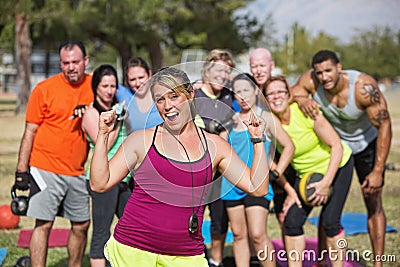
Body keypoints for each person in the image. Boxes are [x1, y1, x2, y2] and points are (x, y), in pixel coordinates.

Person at [89, 66, 270, 267]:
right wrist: (103, 135)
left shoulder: (216, 146)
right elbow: (99, 184)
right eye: (160, 99)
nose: (167, 106)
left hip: (186, 255)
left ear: (190, 95)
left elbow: (258, 187)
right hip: (134, 250)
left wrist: (257, 139)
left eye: (174, 96)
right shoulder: (140, 140)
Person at [291, 50, 392, 266]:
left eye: (328, 70)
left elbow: (385, 125)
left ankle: (379, 263)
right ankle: (321, 261)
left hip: (366, 145)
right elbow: (286, 94)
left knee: (373, 202)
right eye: (319, 72)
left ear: (339, 67)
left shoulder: (363, 88)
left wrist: (377, 170)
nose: (324, 77)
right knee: (328, 207)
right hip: (337, 146)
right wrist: (301, 99)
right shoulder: (310, 80)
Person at [14, 40, 93, 267]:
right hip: (44, 166)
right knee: (44, 223)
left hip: (78, 170)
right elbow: (30, 131)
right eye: (65, 63)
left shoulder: (94, 85)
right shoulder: (44, 89)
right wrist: (21, 170)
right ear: (60, 63)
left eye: (75, 62)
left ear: (85, 61)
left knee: (81, 225)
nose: (71, 67)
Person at [265, 75, 354, 267]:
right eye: (270, 94)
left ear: (289, 95)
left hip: (337, 166)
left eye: (280, 91)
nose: (276, 96)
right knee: (292, 221)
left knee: (331, 222)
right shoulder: (269, 123)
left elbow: (336, 146)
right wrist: (290, 190)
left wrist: (326, 183)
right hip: (305, 175)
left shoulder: (305, 111)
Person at [220, 73, 295, 267]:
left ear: (255, 90)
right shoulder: (229, 121)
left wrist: (277, 173)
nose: (242, 95)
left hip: (258, 183)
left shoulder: (266, 117)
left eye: (246, 90)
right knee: (238, 235)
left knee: (257, 234)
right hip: (231, 185)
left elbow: (289, 146)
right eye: (238, 91)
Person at [81, 64, 131, 267]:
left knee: (132, 226)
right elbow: (105, 143)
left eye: (113, 86)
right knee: (102, 231)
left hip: (124, 177)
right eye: (105, 86)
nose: (110, 90)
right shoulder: (91, 114)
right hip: (102, 178)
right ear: (96, 87)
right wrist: (117, 119)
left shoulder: (121, 108)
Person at [193, 49, 236, 267]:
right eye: (218, 70)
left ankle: (216, 261)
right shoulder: (195, 95)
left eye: (226, 72)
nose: (222, 76)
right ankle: (194, 258)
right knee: (192, 221)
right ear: (207, 71)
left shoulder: (230, 96)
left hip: (221, 171)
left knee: (219, 222)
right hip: (196, 171)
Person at [116, 56, 163, 134]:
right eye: (132, 79)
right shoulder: (123, 94)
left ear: (150, 74)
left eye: (141, 77)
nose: (138, 83)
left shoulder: (162, 94)